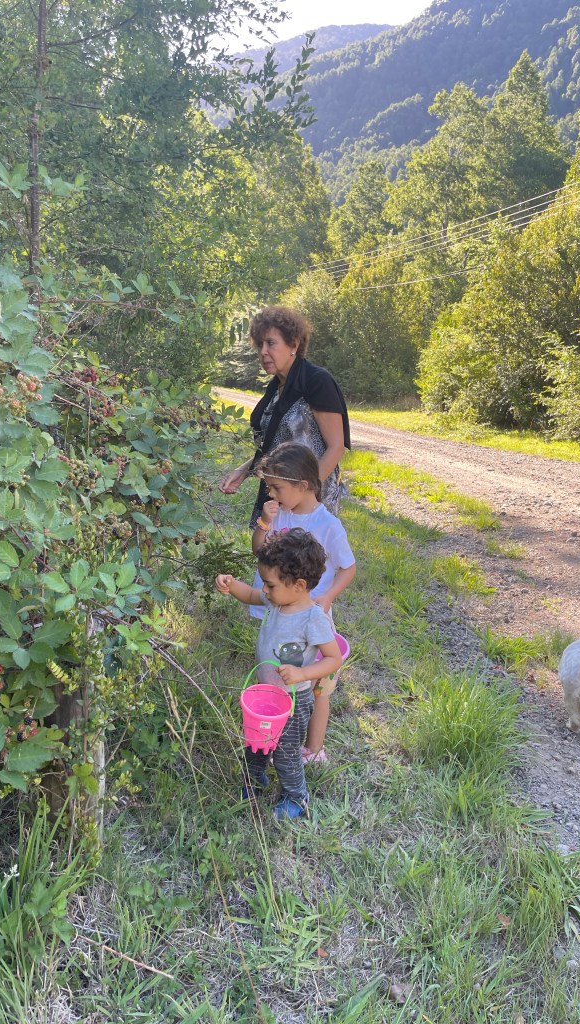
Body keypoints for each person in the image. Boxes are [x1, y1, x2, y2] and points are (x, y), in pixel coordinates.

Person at [215, 529, 342, 821]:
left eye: (270, 585)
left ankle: (296, 797)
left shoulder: (313, 618)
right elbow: (250, 595)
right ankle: (255, 779)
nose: (265, 590)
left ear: (299, 585)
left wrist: (302, 673)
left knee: (286, 753)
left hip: (293, 701)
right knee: (255, 743)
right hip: (264, 694)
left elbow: (333, 659)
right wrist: (230, 584)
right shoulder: (276, 600)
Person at [251, 442, 356, 764]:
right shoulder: (277, 514)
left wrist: (328, 596)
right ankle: (278, 735)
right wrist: (263, 524)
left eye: (277, 487)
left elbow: (348, 567)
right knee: (282, 678)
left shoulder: (328, 525)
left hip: (312, 618)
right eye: (269, 487)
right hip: (283, 616)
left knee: (318, 686)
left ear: (303, 485)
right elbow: (259, 552)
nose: (271, 494)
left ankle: (314, 748)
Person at [218, 306, 351, 528]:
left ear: (294, 345)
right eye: (260, 345)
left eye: (271, 343)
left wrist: (303, 495)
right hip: (278, 497)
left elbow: (336, 447)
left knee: (303, 550)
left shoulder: (316, 381)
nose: (263, 352)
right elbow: (274, 447)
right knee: (270, 549)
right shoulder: (275, 389)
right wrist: (243, 471)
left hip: (311, 504)